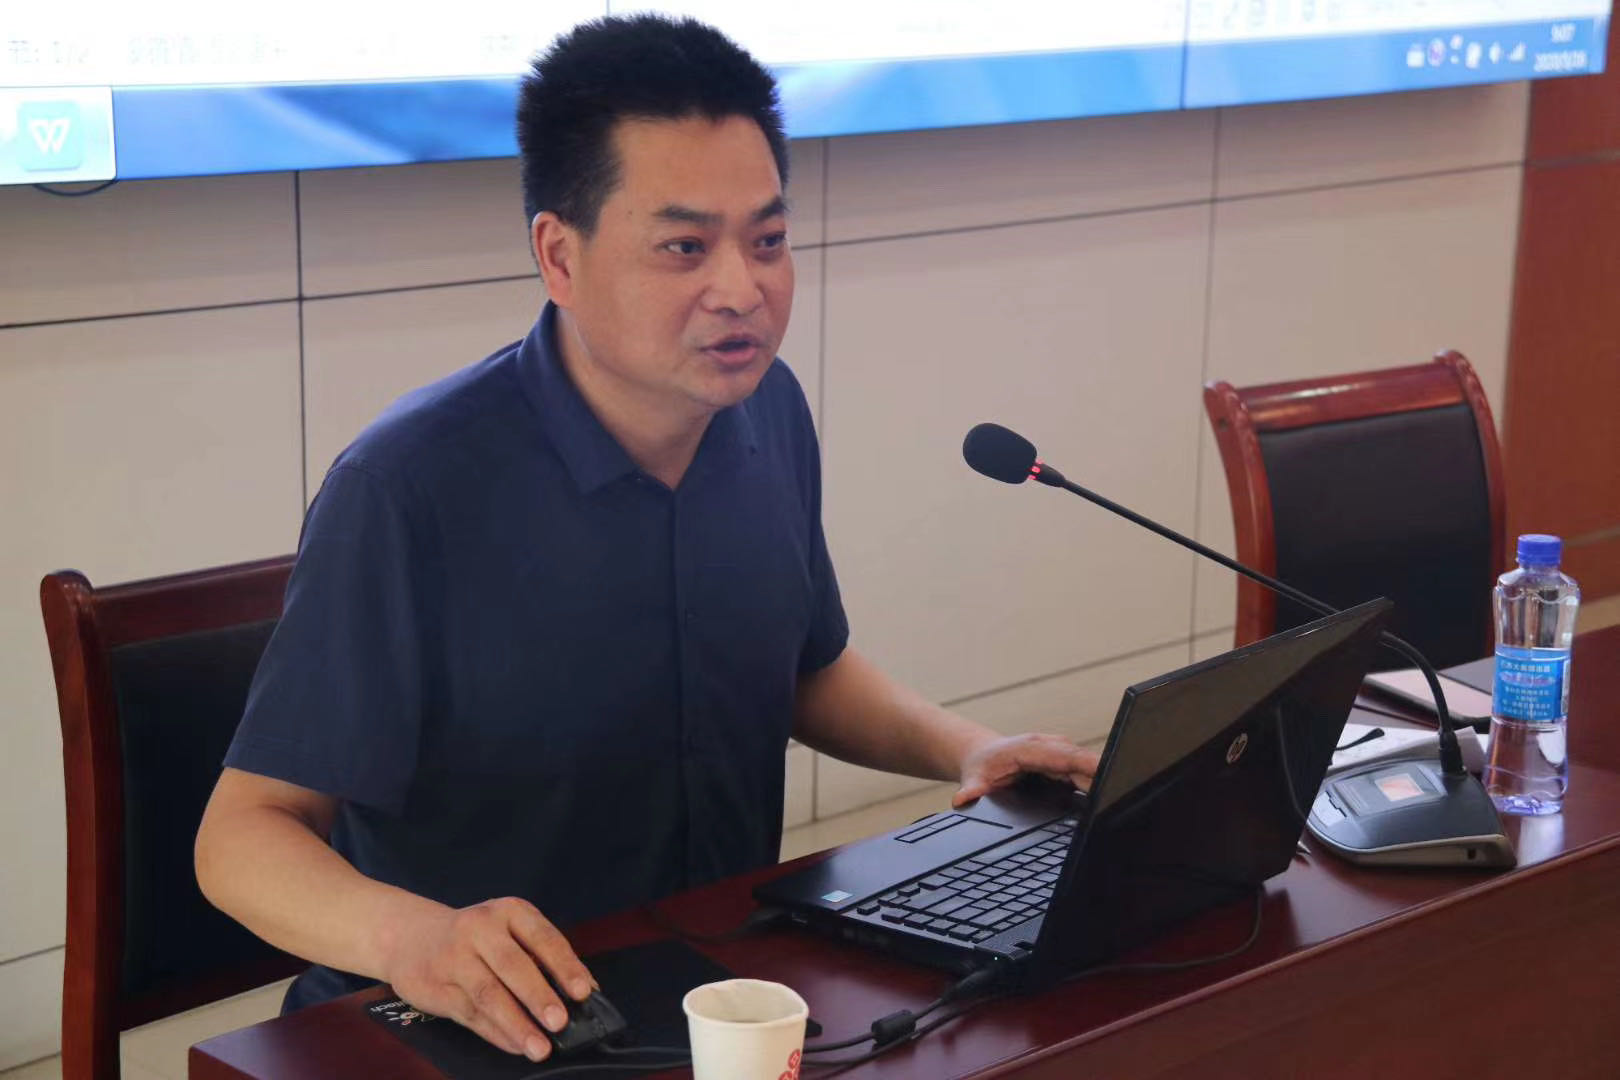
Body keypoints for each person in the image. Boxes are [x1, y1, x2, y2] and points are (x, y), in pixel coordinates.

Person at [194, 13, 1099, 1066]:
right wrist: (416, 940)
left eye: (768, 241)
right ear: (559, 256)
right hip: (468, 1027)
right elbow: (241, 835)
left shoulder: (766, 410)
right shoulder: (409, 486)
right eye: (684, 247)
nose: (743, 289)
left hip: (707, 993)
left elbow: (803, 670)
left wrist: (968, 749)